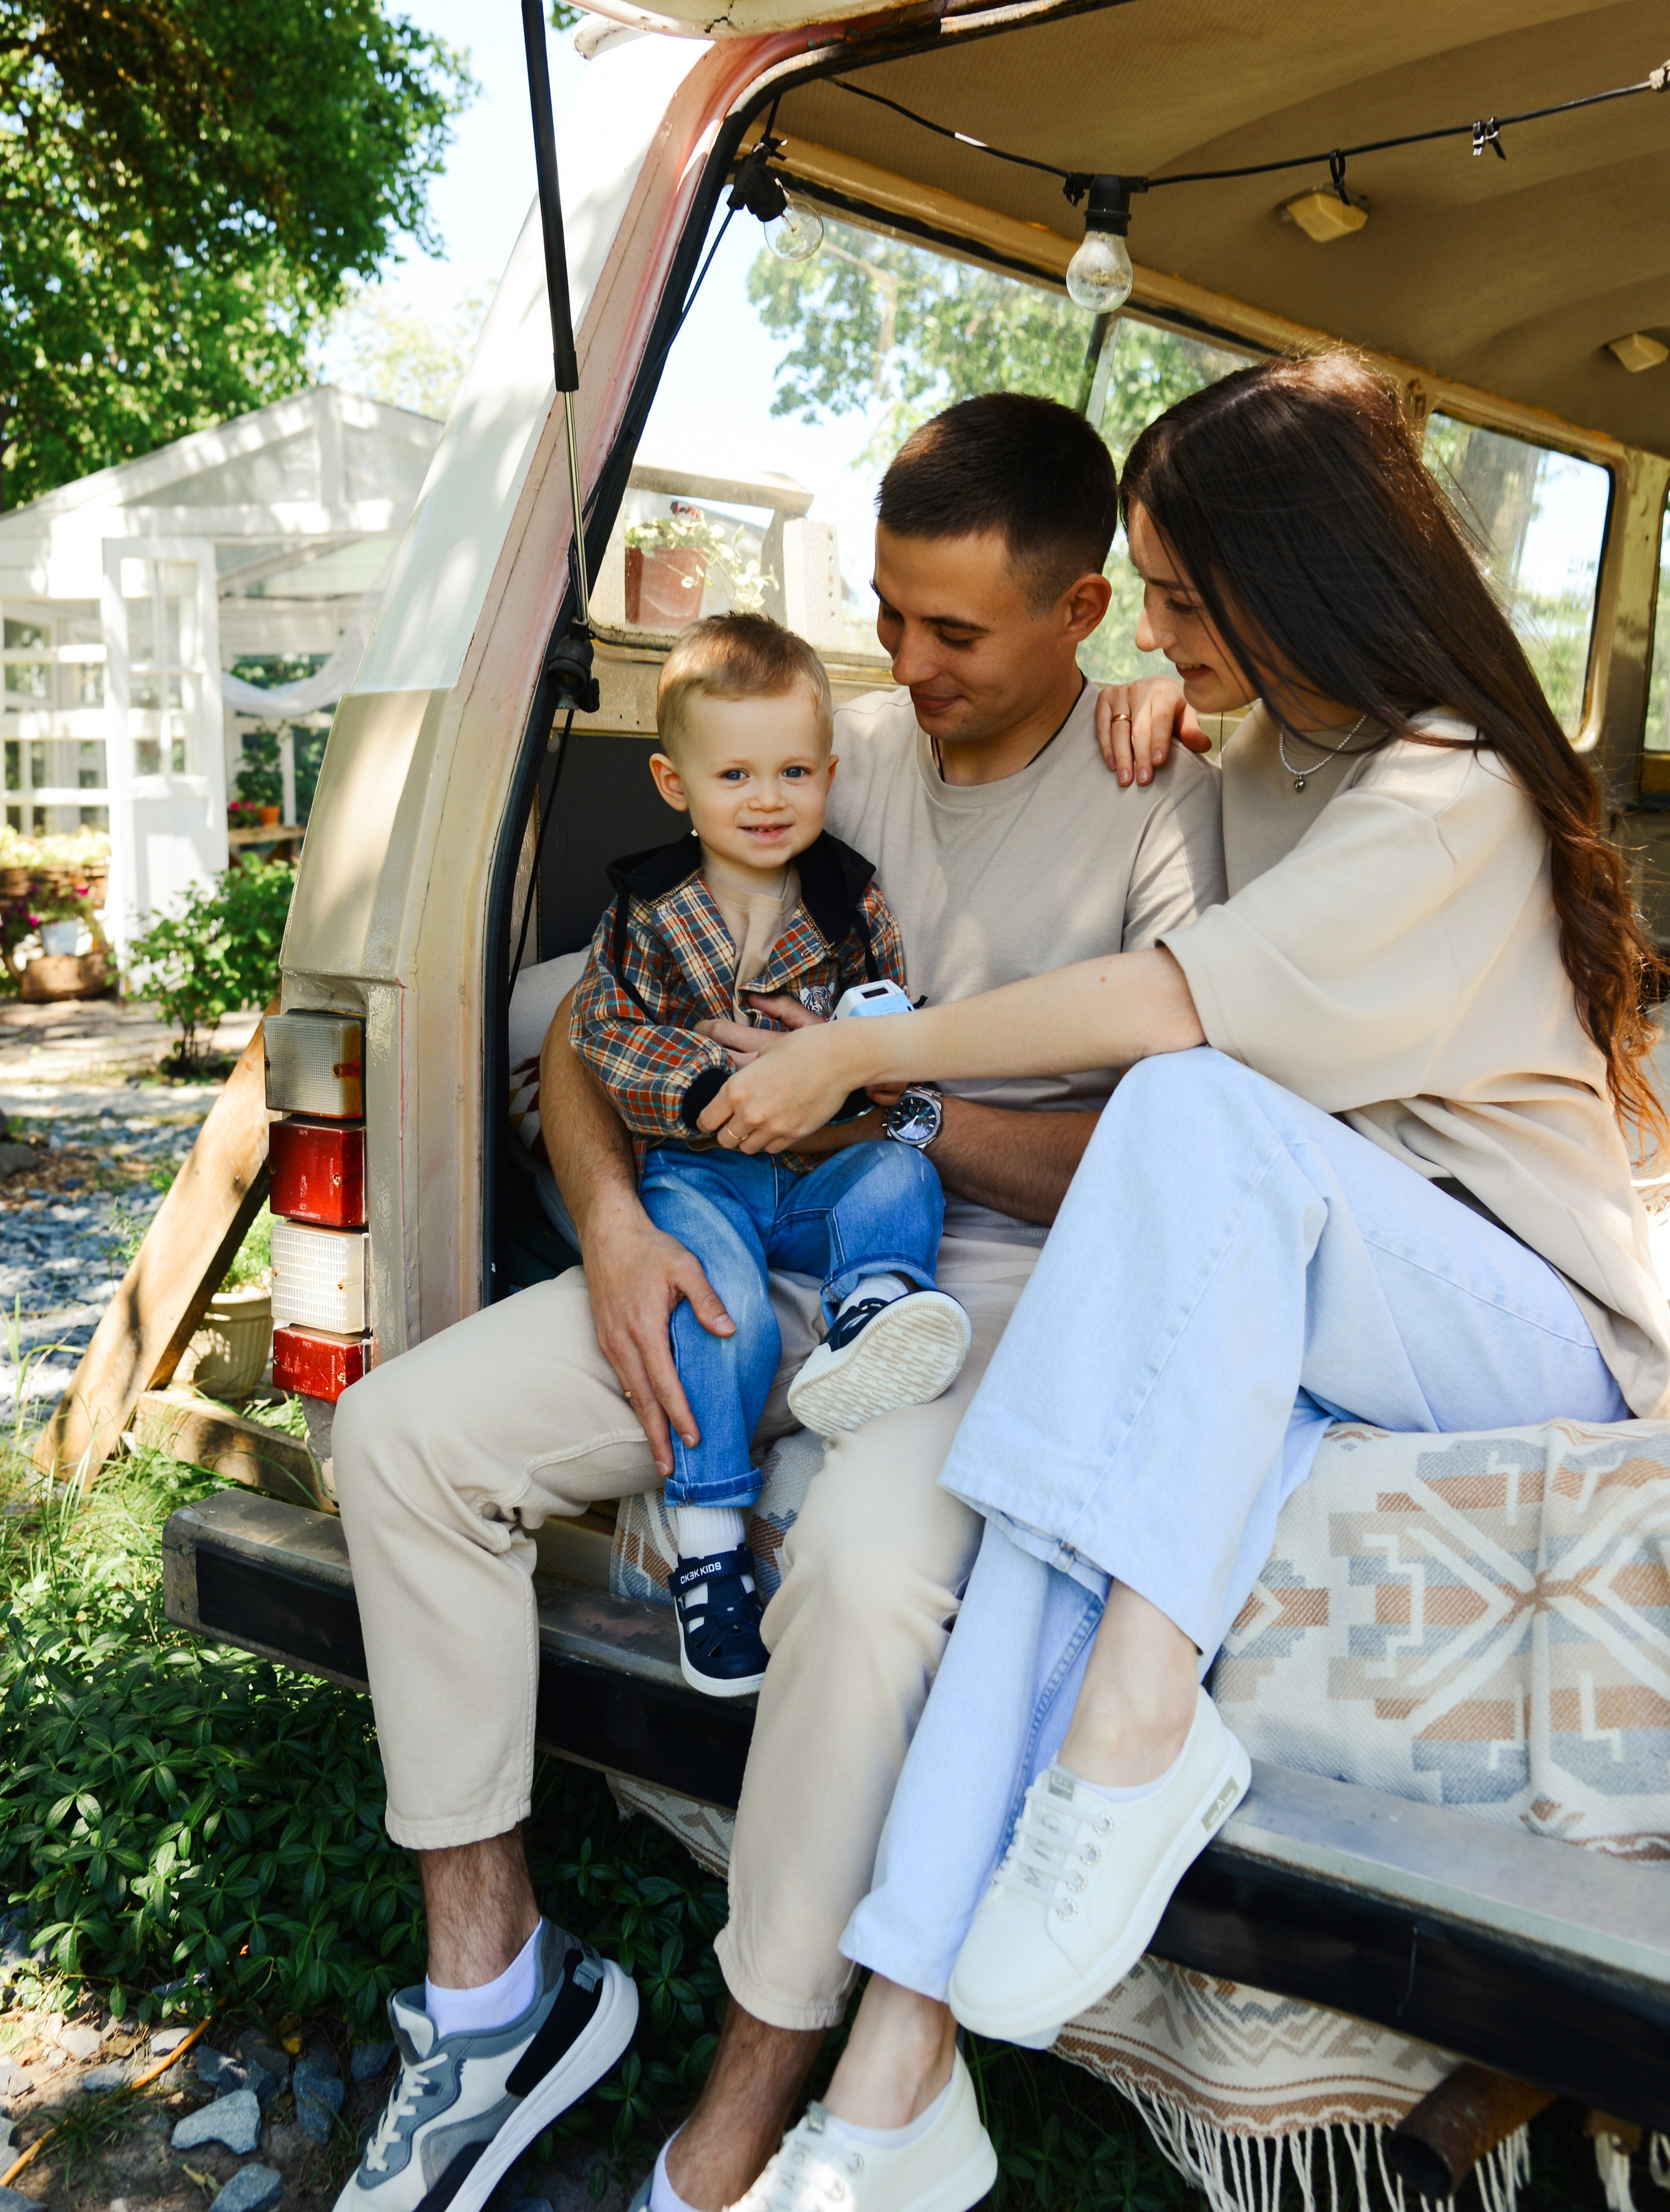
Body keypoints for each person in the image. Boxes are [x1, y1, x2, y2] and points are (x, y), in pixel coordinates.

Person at [691, 352, 1670, 2212]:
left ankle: (1136, 1724)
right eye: (1142, 596)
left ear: (1298, 580)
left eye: (1179, 599)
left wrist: (869, 1055)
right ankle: (897, 2074)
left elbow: (1174, 1007)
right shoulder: (1273, 748)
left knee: (1189, 1105)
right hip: (1317, 1282)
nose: (1149, 632)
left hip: (1519, 1312)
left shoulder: (1448, 786)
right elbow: (1201, 879)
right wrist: (1172, 706)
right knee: (1056, 1499)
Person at [327, 390, 1226, 2212]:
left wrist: (883, 1101)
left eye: (952, 628)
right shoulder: (821, 754)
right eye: (884, 610)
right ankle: (494, 1989)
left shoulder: (1165, 801)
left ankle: (744, 2110)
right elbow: (579, 1021)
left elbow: (1179, 1171)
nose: (907, 659)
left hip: (995, 1287)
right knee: (401, 1436)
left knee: (869, 1574)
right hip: (733, 1232)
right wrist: (610, 1223)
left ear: (1082, 613)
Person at [569, 610, 973, 1697]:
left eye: (794, 772)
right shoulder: (649, 910)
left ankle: (873, 1307)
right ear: (674, 783)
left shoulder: (850, 898)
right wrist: (707, 1086)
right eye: (735, 774)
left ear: (829, 775)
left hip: (816, 1169)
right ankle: (710, 1547)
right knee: (720, 1309)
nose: (767, 799)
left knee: (900, 1173)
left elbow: (890, 1021)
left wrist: (864, 1049)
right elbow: (604, 1031)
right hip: (698, 1172)